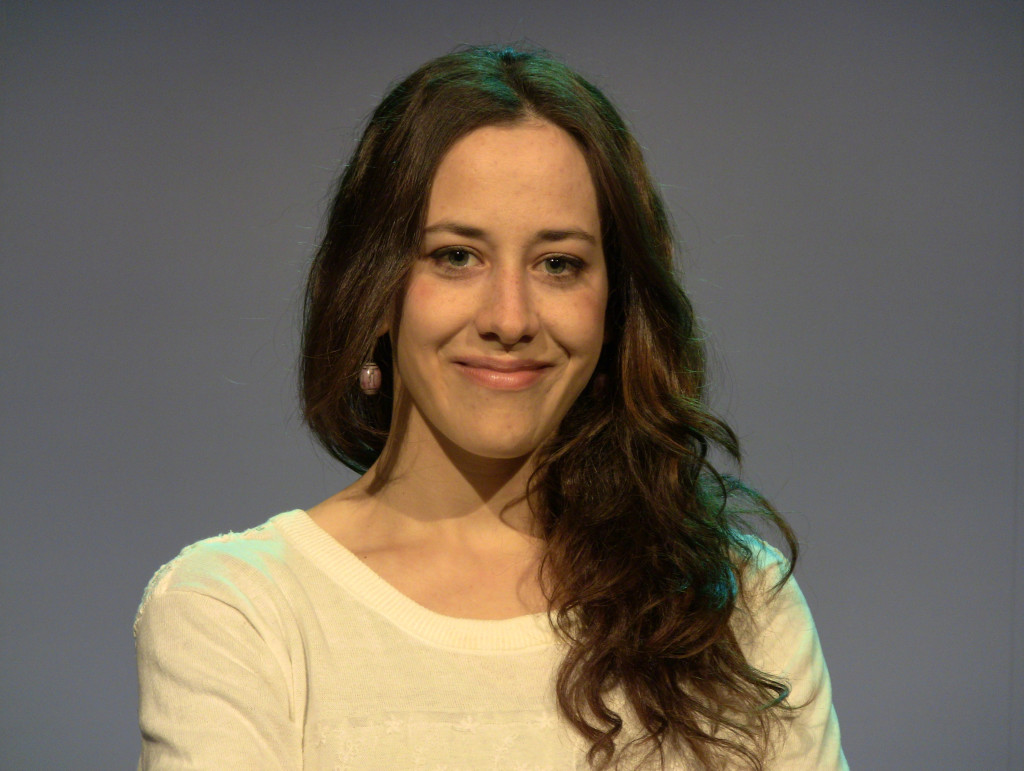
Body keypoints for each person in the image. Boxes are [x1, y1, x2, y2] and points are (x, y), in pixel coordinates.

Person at [134, 46, 848, 770]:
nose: (510, 318)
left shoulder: (734, 599)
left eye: (558, 264)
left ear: (614, 306)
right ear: (371, 289)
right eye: (456, 257)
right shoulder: (239, 610)